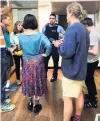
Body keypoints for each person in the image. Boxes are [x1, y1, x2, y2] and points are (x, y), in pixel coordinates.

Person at [53, 2, 89, 121]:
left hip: (72, 70)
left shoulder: (71, 29)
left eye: (67, 13)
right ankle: (77, 117)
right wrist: (65, 44)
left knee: (67, 98)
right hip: (81, 68)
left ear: (71, 13)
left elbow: (67, 52)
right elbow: (79, 47)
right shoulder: (84, 28)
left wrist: (58, 46)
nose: (66, 16)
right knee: (79, 94)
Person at [19, 14, 51, 114]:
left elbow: (20, 47)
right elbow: (49, 45)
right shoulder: (39, 35)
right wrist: (46, 54)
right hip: (37, 62)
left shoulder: (20, 36)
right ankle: (36, 105)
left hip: (26, 62)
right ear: (34, 23)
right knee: (37, 82)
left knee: (28, 81)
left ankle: (29, 103)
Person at [81, 17, 100, 108]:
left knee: (89, 80)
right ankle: (92, 95)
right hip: (94, 61)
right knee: (90, 79)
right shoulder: (97, 31)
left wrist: (82, 48)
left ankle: (93, 101)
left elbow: (95, 52)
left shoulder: (92, 34)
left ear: (86, 25)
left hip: (91, 61)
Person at [0, 0, 15, 112]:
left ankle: (2, 100)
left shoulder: (3, 29)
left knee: (3, 78)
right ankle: (1, 105)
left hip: (3, 53)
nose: (2, 12)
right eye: (0, 10)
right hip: (2, 54)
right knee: (1, 80)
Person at [42, 13, 65, 82]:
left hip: (55, 48)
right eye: (50, 18)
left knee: (56, 62)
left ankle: (54, 76)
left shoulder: (59, 27)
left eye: (53, 18)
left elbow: (66, 34)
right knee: (45, 62)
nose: (51, 20)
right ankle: (44, 76)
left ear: (55, 19)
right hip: (47, 47)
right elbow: (42, 37)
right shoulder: (45, 27)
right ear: (49, 19)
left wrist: (61, 41)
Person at [10, 21, 23, 86]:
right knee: (17, 66)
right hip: (16, 52)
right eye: (19, 25)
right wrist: (16, 44)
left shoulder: (24, 34)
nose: (20, 26)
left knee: (24, 66)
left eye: (21, 25)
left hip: (24, 52)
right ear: (16, 26)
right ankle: (18, 79)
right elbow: (10, 43)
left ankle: (25, 79)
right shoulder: (12, 34)